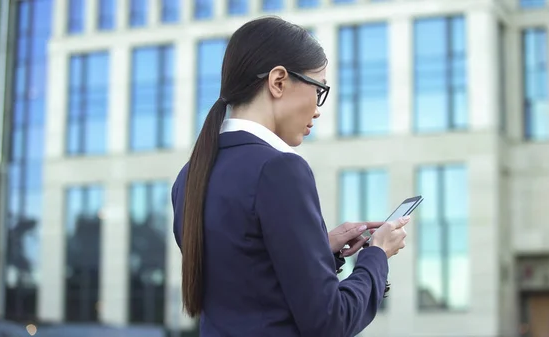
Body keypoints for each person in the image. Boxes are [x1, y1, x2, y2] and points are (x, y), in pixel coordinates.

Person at [171, 16, 409, 337]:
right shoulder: (280, 169)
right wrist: (376, 256)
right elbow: (330, 321)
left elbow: (251, 284)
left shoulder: (189, 177)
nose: (318, 108)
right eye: (319, 88)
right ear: (279, 81)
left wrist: (320, 250)